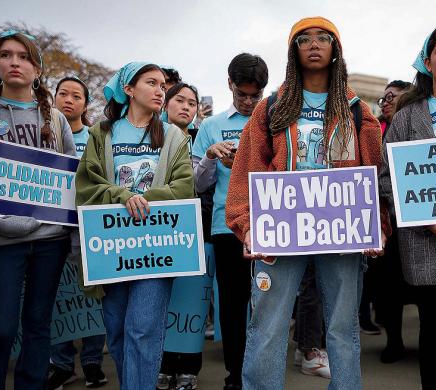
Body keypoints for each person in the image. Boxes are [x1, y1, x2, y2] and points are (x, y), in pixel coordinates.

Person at [226, 17, 389, 390]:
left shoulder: (357, 110)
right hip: (280, 230)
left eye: (323, 38)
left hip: (342, 230)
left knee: (343, 326)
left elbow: (373, 172)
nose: (314, 44)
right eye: (304, 39)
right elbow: (246, 169)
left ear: (336, 50)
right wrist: (246, 224)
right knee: (268, 324)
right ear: (293, 51)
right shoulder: (270, 108)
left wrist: (376, 224)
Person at [0, 30, 76, 389]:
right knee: (2, 329)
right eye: (6, 55)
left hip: (50, 240)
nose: (14, 62)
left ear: (37, 68)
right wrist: (5, 224)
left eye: (23, 56)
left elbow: (70, 180)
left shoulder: (55, 119)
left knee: (38, 325)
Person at [75, 62, 194, 390]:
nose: (161, 90)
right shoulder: (102, 133)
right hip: (111, 250)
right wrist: (121, 195)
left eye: (163, 85)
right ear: (128, 89)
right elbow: (86, 185)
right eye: (151, 83)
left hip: (154, 250)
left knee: (142, 330)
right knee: (116, 332)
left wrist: (146, 197)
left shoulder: (173, 136)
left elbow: (184, 188)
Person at [380, 20, 436, 390]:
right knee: (433, 339)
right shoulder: (405, 118)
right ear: (427, 62)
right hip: (427, 251)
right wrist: (423, 218)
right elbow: (386, 181)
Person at [192, 53, 268, 390]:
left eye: (256, 95)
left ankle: (264, 371)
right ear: (229, 85)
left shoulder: (275, 120)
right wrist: (211, 157)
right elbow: (195, 184)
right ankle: (235, 375)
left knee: (269, 304)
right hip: (228, 227)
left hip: (273, 224)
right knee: (232, 307)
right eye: (242, 95)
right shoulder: (210, 126)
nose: (250, 102)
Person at [48, 77, 107, 389]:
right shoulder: (43, 136)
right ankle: (61, 363)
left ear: (85, 104)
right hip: (52, 230)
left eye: (76, 96)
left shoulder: (97, 137)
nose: (68, 100)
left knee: (92, 293)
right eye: (63, 94)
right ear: (54, 97)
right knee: (60, 295)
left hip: (88, 228)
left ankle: (93, 362)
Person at [157, 82, 202, 390]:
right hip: (157, 230)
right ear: (165, 105)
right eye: (180, 101)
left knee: (189, 301)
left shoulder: (199, 141)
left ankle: (187, 368)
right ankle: (160, 365)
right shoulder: (151, 137)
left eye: (192, 103)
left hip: (192, 229)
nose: (186, 107)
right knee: (160, 299)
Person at [373, 80, 416, 363]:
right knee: (388, 287)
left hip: (415, 221)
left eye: (392, 97)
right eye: (383, 98)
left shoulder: (416, 126)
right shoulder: (373, 133)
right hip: (385, 221)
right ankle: (394, 341)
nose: (385, 102)